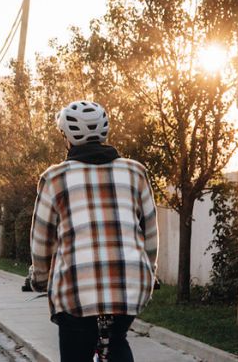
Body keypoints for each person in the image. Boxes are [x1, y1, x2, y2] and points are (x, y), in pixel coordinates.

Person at [29, 101, 158, 362]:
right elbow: (150, 232)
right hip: (129, 284)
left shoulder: (54, 178)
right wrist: (150, 272)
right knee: (118, 339)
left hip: (76, 288)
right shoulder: (136, 172)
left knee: (76, 348)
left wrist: (40, 277)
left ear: (66, 137)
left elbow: (41, 241)